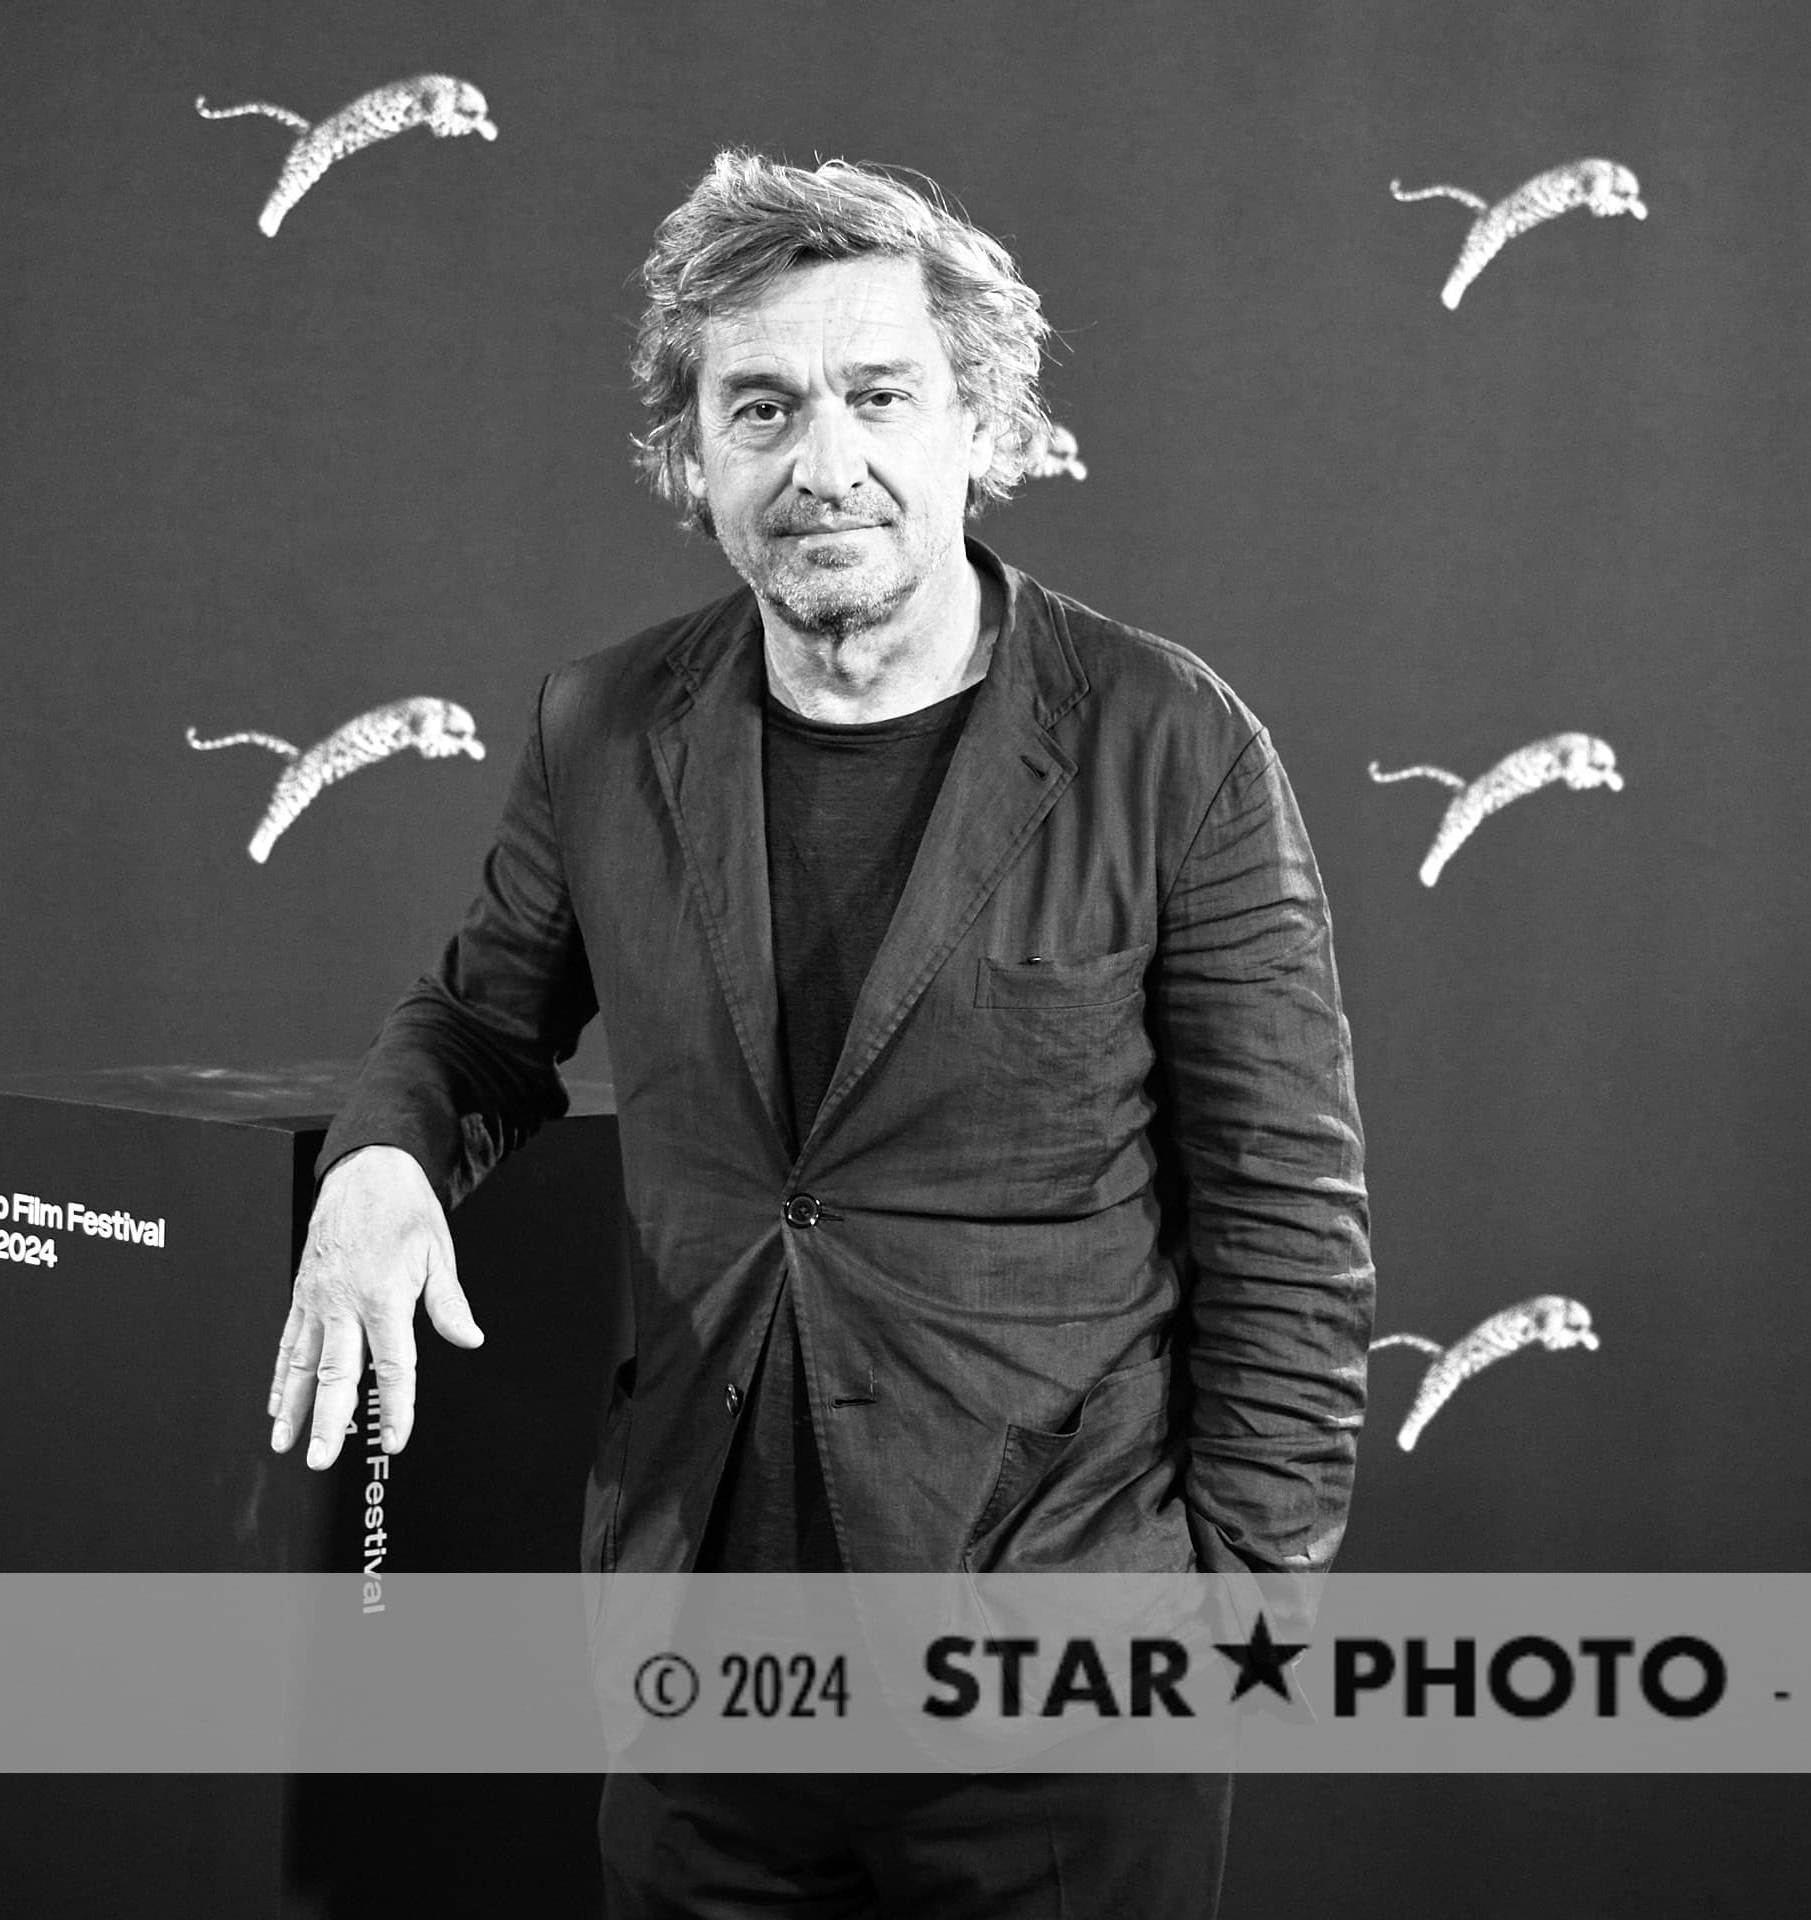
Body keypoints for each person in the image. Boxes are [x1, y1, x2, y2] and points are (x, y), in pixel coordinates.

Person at [264, 147, 1373, 1917]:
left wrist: (1233, 1623)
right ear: (691, 457)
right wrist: (385, 1157)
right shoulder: (605, 727)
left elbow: (1288, 1230)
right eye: (760, 407)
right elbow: (477, 1024)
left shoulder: (1171, 747)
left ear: (977, 425)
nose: (822, 461)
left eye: (878, 396)